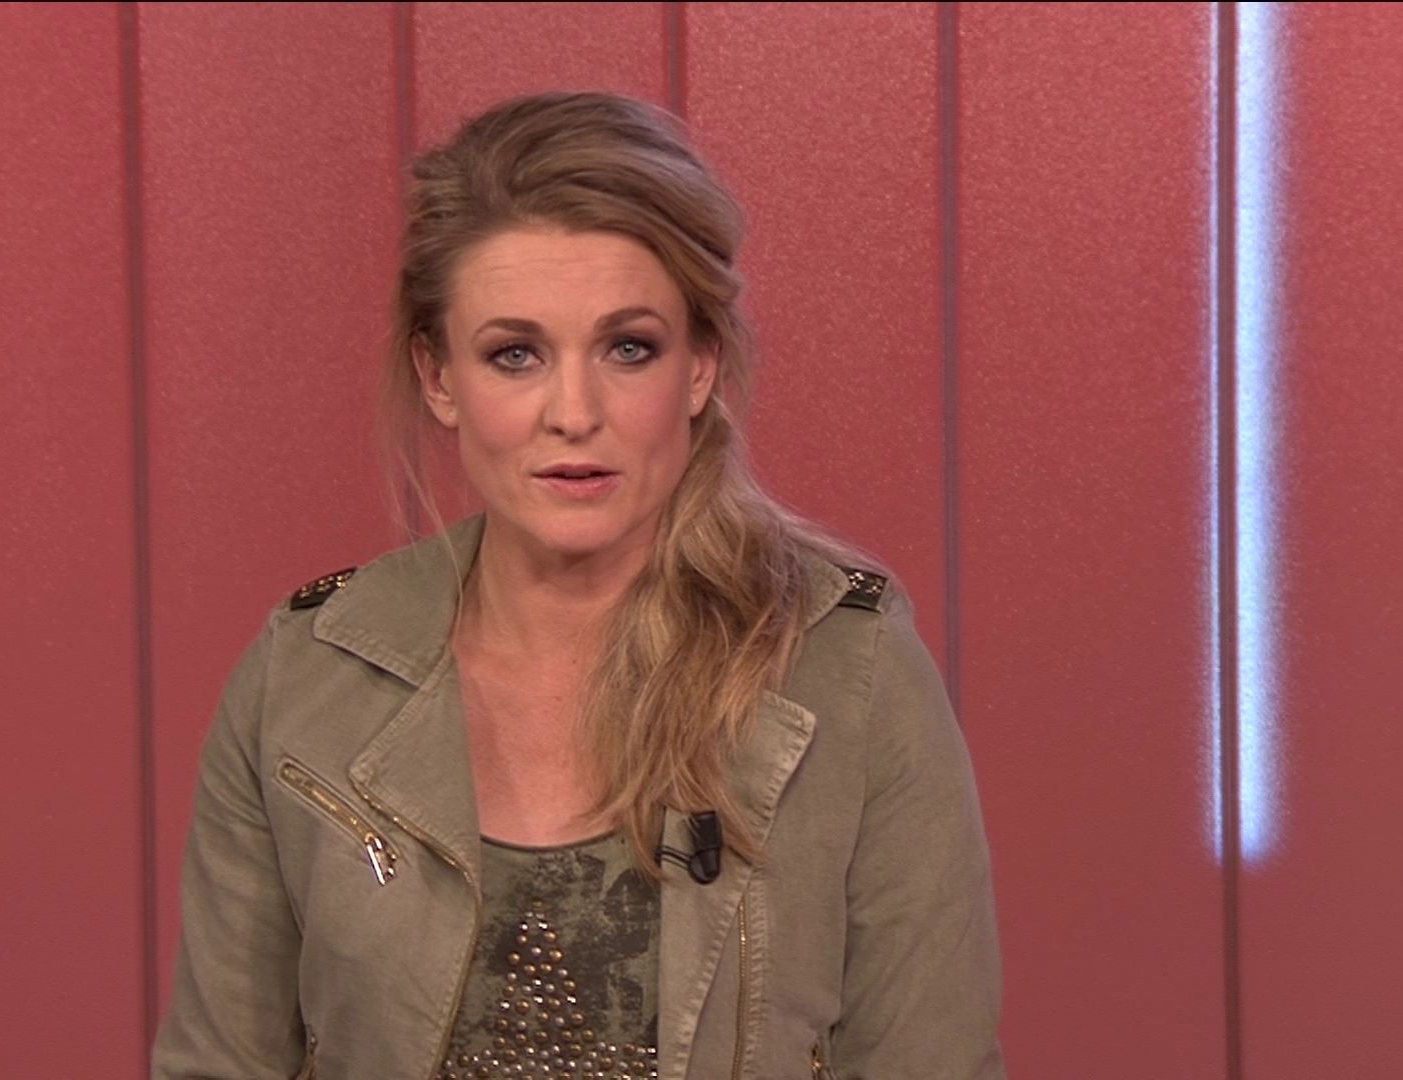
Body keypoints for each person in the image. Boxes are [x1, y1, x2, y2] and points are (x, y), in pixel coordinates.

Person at [151, 90, 1005, 1080]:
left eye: (627, 348)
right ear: (439, 377)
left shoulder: (848, 668)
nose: (573, 411)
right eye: (514, 355)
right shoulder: (305, 675)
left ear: (698, 368)